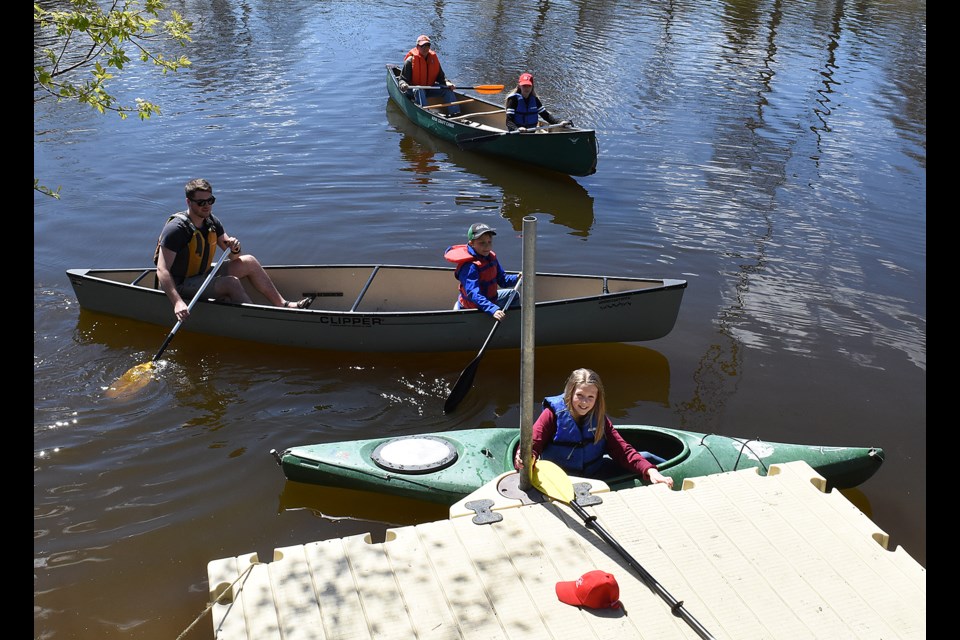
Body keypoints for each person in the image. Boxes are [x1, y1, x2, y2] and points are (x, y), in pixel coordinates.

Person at [154, 178, 310, 323]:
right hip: (180, 284)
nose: (207, 205)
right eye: (201, 202)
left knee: (249, 261)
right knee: (231, 283)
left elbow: (236, 257)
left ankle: (283, 304)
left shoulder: (212, 222)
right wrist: (177, 302)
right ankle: (256, 321)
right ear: (189, 202)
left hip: (203, 274)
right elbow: (162, 269)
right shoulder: (176, 229)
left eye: (210, 200)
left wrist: (234, 247)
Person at [514, 368, 674, 488]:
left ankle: (665, 474)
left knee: (647, 458)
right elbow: (532, 445)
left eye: (590, 397)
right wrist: (524, 459)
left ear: (597, 398)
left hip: (595, 473)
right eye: (580, 395)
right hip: (561, 479)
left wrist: (650, 472)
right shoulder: (552, 415)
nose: (584, 402)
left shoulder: (599, 418)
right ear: (570, 393)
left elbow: (622, 451)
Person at [443, 222, 520, 321]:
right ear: (472, 243)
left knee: (513, 295)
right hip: (473, 307)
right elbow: (473, 294)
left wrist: (517, 278)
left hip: (489, 300)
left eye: (489, 242)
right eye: (482, 243)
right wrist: (493, 309)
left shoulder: (490, 257)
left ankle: (512, 322)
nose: (487, 246)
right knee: (506, 300)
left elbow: (503, 280)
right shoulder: (470, 266)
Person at [397, 35, 461, 116]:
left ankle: (455, 113)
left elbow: (441, 78)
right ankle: (426, 114)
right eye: (422, 46)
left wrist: (447, 83)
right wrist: (403, 84)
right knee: (419, 90)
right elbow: (402, 79)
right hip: (414, 90)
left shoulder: (433, 59)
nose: (425, 48)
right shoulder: (410, 61)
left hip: (429, 88)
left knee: (447, 90)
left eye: (427, 45)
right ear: (417, 47)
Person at [504, 72, 572, 132]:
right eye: (524, 86)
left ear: (532, 86)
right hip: (517, 133)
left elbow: (546, 116)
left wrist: (560, 122)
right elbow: (509, 121)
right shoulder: (513, 100)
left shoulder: (535, 100)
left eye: (529, 86)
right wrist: (517, 129)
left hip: (531, 132)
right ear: (519, 86)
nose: (526, 88)